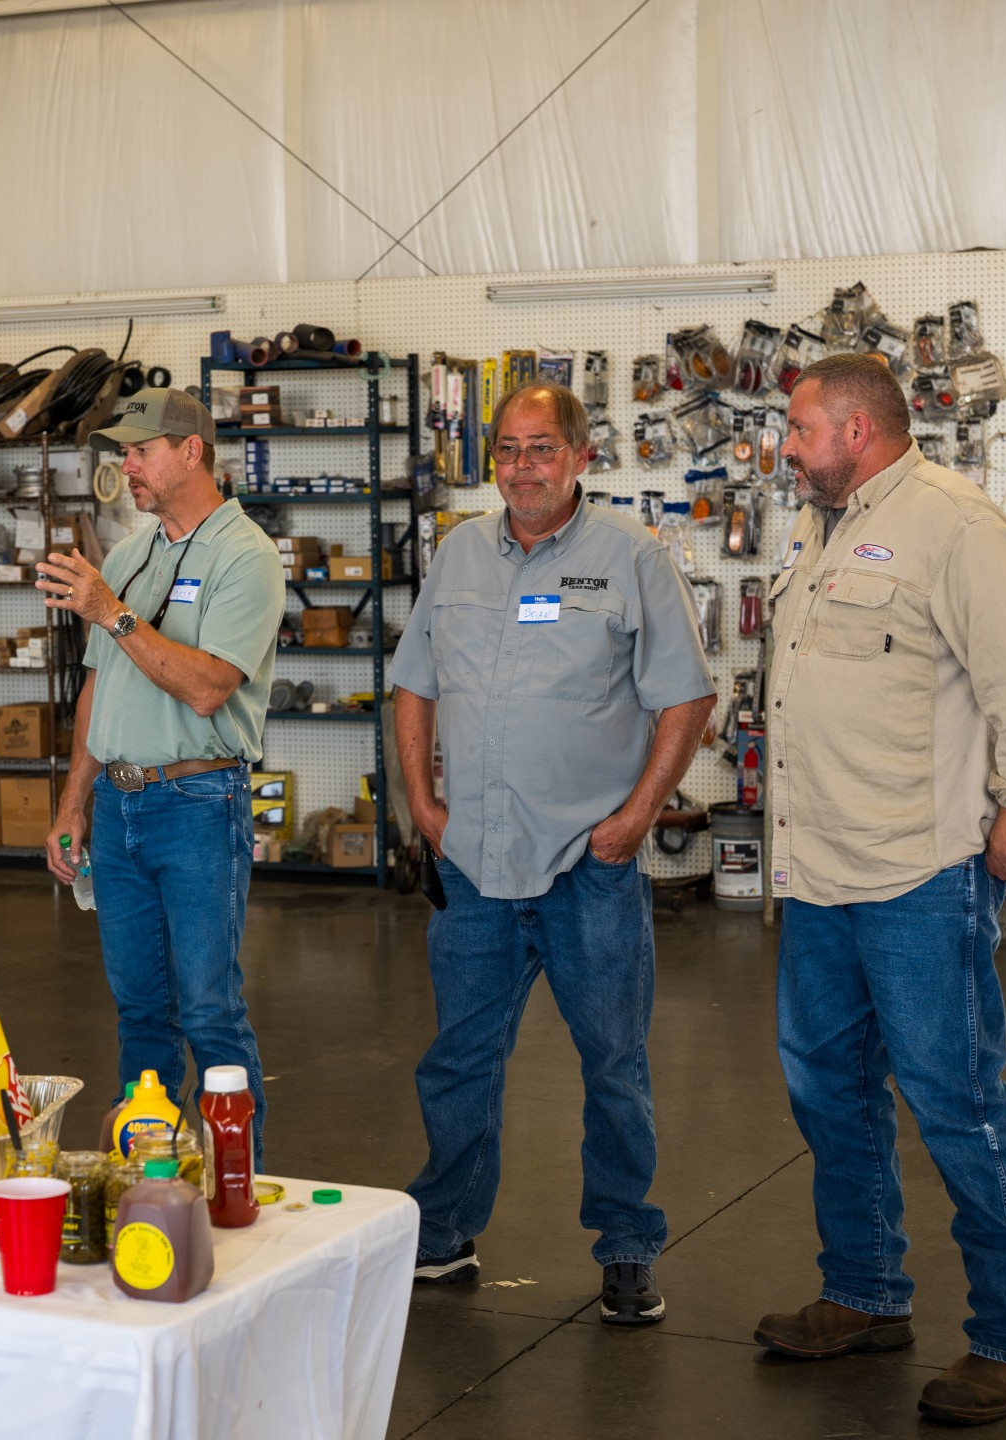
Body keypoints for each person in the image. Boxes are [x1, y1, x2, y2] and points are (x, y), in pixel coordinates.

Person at [753, 353, 1006, 1425]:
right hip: (822, 873)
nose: (786, 447)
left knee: (958, 1106)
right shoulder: (824, 525)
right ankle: (864, 1292)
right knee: (829, 1093)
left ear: (856, 429)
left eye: (800, 429)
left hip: (921, 873)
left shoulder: (956, 523)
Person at [389, 381, 716, 1326]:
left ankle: (626, 1248)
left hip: (587, 866)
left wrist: (636, 819)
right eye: (507, 449)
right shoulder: (457, 555)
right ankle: (442, 1232)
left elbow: (684, 700)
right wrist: (422, 802)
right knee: (458, 1059)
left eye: (541, 449)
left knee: (613, 1063)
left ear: (579, 457)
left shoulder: (631, 559)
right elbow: (414, 684)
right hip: (475, 867)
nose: (522, 467)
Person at [37, 387, 285, 1166]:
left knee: (209, 1010)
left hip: (198, 803)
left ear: (191, 452)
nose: (127, 468)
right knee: (141, 1009)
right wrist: (73, 802)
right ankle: (147, 1173)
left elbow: (210, 685)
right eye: (123, 454)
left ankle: (235, 1183)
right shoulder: (131, 552)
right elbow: (97, 689)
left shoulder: (245, 555)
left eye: (139, 452)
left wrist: (111, 611)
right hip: (118, 805)